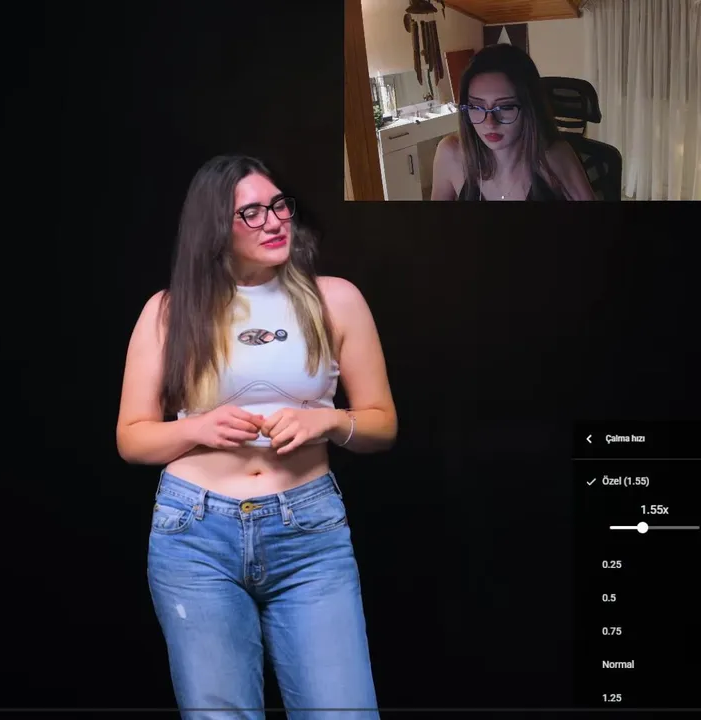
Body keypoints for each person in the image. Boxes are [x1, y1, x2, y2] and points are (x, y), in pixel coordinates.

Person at [116, 155, 398, 719]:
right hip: (195, 534)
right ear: (214, 229)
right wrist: (197, 427)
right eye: (251, 213)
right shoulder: (169, 311)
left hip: (308, 531)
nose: (274, 222)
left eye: (278, 206)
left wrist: (328, 421)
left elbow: (382, 424)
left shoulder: (335, 299)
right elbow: (132, 438)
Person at [431, 43, 596, 201]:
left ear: (529, 109)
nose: (490, 123)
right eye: (477, 107)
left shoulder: (554, 157)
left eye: (506, 107)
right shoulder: (451, 154)